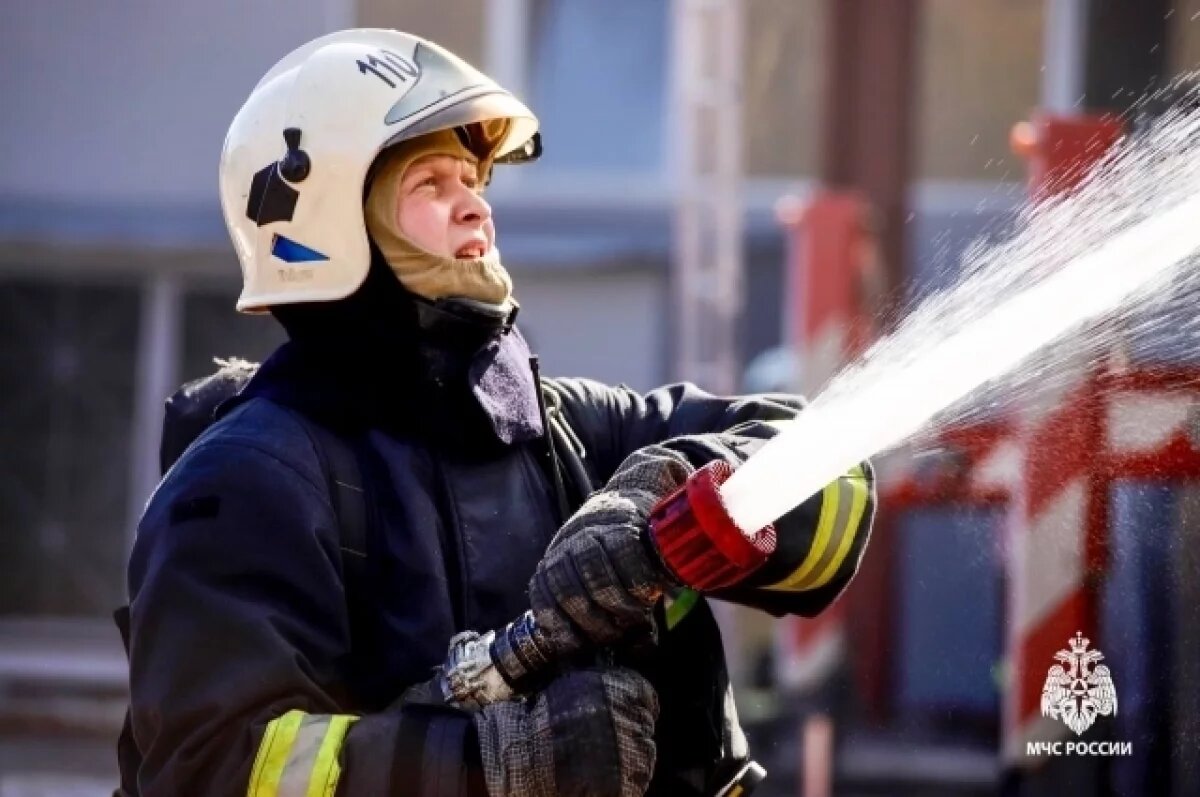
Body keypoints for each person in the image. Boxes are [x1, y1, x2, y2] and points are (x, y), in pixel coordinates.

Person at [118, 29, 876, 797]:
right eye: (430, 184)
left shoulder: (570, 433)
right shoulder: (246, 485)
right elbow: (212, 767)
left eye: (473, 178)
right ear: (331, 225)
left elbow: (835, 466)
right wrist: (491, 770)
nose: (475, 204)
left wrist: (677, 495)